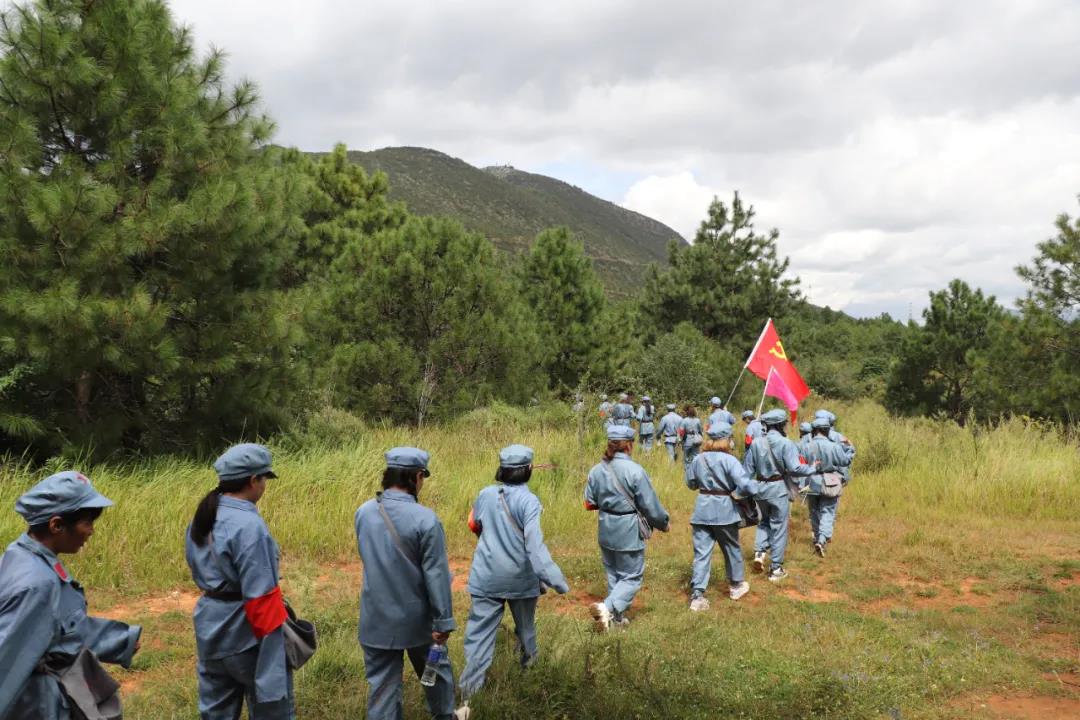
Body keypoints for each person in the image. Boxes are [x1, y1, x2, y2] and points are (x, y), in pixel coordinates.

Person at [0, 472, 141, 720]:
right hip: (37, 704)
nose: (91, 531)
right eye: (87, 522)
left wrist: (121, 640)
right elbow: (7, 659)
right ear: (56, 525)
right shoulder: (37, 583)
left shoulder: (22, 555)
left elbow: (61, 626)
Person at [457, 445, 569, 717]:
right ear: (528, 470)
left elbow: (474, 525)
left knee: (479, 636)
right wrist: (557, 580)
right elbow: (534, 547)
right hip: (520, 579)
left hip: (485, 576)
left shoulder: (485, 494)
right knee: (526, 631)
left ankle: (467, 699)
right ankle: (530, 680)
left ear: (503, 470)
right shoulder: (530, 502)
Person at [185, 443, 293, 720]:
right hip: (245, 633)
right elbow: (262, 599)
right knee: (271, 709)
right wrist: (274, 661)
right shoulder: (250, 525)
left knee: (216, 712)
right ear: (253, 481)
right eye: (264, 479)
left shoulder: (202, 517)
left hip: (210, 626)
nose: (264, 486)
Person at [355, 448, 457, 720]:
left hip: (375, 618)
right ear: (417, 476)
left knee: (382, 690)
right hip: (417, 621)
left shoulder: (364, 513)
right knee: (437, 676)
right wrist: (443, 621)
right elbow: (436, 575)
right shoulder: (426, 519)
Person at [584, 425, 670, 631]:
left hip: (605, 528)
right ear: (629, 445)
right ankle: (608, 607)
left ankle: (614, 621)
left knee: (614, 575)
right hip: (628, 530)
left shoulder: (596, 469)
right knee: (631, 577)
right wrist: (663, 523)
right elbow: (650, 505)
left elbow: (589, 503)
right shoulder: (635, 471)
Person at [685, 423, 764, 610]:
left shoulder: (698, 459)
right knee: (731, 548)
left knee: (702, 553)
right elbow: (744, 485)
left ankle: (697, 595)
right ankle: (736, 585)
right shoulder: (730, 460)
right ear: (726, 439)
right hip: (724, 511)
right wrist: (757, 487)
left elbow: (691, 483)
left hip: (702, 510)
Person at [743, 409, 818, 582]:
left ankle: (759, 553)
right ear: (779, 424)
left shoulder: (755, 443)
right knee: (779, 527)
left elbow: (747, 471)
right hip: (778, 489)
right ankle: (775, 569)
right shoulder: (786, 443)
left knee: (763, 522)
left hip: (760, 488)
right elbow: (795, 468)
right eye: (784, 423)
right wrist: (813, 468)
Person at [801, 418, 854, 557]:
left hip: (811, 481)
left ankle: (817, 537)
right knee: (828, 511)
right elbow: (844, 461)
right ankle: (822, 539)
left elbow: (800, 464)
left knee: (813, 511)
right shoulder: (834, 446)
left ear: (814, 430)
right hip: (830, 481)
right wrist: (849, 449)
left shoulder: (807, 446)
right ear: (827, 430)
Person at [815, 409, 856, 483]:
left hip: (814, 478)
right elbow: (846, 458)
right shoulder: (838, 436)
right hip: (834, 478)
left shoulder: (810, 436)